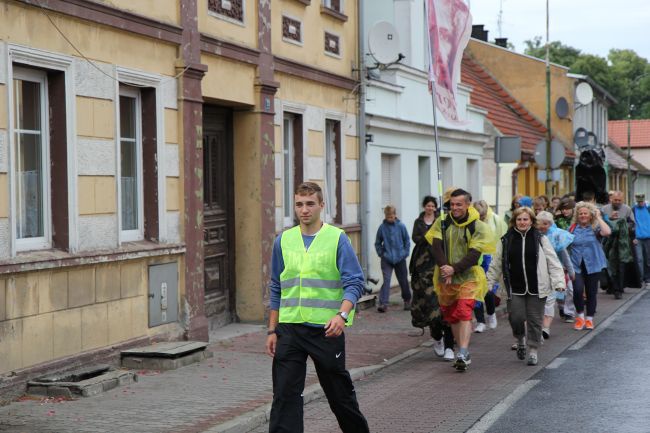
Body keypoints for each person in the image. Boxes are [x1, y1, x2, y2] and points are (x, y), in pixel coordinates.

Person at [265, 182, 369, 433]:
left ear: (321, 205)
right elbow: (276, 286)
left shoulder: (337, 239)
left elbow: (355, 282)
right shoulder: (283, 241)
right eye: (299, 204)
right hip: (289, 329)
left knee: (339, 395)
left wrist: (341, 316)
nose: (304, 210)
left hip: (326, 330)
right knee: (284, 396)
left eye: (310, 204)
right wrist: (271, 330)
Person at [426, 188, 495, 371]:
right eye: (452, 204)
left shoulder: (478, 226)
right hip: (445, 277)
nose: (455, 208)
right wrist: (444, 268)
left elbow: (474, 254)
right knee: (452, 316)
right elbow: (436, 246)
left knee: (464, 311)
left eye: (459, 204)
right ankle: (461, 351)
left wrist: (454, 269)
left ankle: (463, 351)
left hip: (468, 276)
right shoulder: (442, 222)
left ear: (467, 204)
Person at [486, 207, 565, 366]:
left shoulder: (540, 238)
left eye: (525, 219)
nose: (522, 222)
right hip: (514, 286)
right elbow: (495, 264)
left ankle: (533, 350)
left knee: (535, 320)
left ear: (531, 221)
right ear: (514, 221)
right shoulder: (506, 240)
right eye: (519, 219)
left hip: (537, 286)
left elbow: (553, 261)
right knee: (516, 318)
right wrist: (488, 283)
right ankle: (520, 338)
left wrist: (559, 282)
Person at [410, 196, 455, 361]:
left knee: (446, 308)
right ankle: (437, 337)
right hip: (423, 269)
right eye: (428, 205)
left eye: (433, 206)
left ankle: (449, 342)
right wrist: (428, 236)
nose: (430, 208)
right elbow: (416, 238)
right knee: (431, 308)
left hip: (441, 269)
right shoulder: (418, 221)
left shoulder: (442, 223)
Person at [568, 201, 611, 331]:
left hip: (593, 264)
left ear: (590, 214)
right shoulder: (572, 228)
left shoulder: (595, 228)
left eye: (585, 213)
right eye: (580, 213)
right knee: (578, 290)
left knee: (592, 293)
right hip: (576, 265)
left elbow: (608, 232)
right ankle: (580, 317)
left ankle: (589, 319)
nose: (583, 215)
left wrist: (598, 217)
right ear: (577, 215)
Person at [536, 211, 576, 337]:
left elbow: (565, 256)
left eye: (546, 223)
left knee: (550, 299)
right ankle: (538, 325)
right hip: (537, 273)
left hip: (554, 271)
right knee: (539, 301)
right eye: (540, 223)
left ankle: (546, 328)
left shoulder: (557, 236)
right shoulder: (532, 235)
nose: (542, 226)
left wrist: (571, 271)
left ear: (550, 224)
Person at [471, 200, 507, 332]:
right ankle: (480, 321)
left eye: (482, 215)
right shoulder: (470, 221)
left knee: (488, 289)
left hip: (490, 257)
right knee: (475, 290)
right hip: (475, 257)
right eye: (478, 215)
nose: (480, 218)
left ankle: (491, 314)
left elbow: (504, 238)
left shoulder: (496, 220)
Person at [375, 205, 412, 312]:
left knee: (403, 280)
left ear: (395, 215)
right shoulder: (382, 227)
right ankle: (383, 303)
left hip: (400, 258)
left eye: (391, 216)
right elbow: (378, 242)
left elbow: (407, 241)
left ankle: (407, 300)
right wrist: (381, 253)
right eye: (388, 216)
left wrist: (405, 253)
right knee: (386, 280)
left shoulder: (401, 226)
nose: (390, 218)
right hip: (386, 258)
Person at [602, 191, 637, 299]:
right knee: (609, 266)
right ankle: (611, 286)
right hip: (609, 242)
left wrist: (622, 224)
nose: (617, 202)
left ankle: (619, 289)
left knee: (621, 266)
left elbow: (632, 224)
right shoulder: (604, 209)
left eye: (619, 200)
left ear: (622, 200)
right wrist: (610, 219)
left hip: (623, 243)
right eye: (615, 200)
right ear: (611, 199)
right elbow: (600, 223)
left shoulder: (627, 209)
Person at [632, 193, 650, 287]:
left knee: (648, 259)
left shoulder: (648, 208)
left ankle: (647, 278)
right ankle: (640, 278)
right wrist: (633, 237)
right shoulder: (633, 209)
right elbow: (631, 224)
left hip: (648, 237)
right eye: (639, 202)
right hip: (638, 238)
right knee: (639, 259)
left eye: (642, 201)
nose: (640, 203)